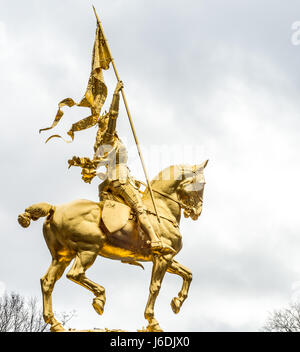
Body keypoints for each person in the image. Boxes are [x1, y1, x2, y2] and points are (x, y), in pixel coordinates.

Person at [69, 81, 175, 255]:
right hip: (120, 178)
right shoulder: (108, 139)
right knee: (140, 207)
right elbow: (113, 115)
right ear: (104, 127)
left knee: (135, 209)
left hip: (116, 180)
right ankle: (155, 240)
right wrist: (116, 94)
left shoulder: (104, 145)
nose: (109, 123)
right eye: (105, 122)